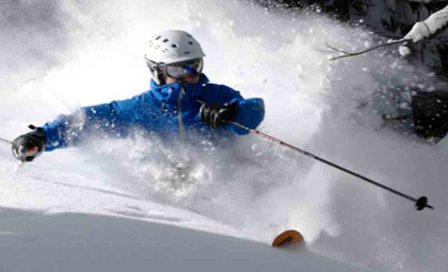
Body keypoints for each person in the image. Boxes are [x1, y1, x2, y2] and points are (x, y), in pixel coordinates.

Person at [12, 30, 265, 162]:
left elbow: (254, 109)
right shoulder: (141, 108)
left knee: (256, 171)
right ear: (158, 71)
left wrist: (232, 113)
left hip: (233, 167)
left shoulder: (215, 94)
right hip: (186, 182)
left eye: (195, 65)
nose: (190, 75)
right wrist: (42, 136)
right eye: (180, 68)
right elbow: (87, 121)